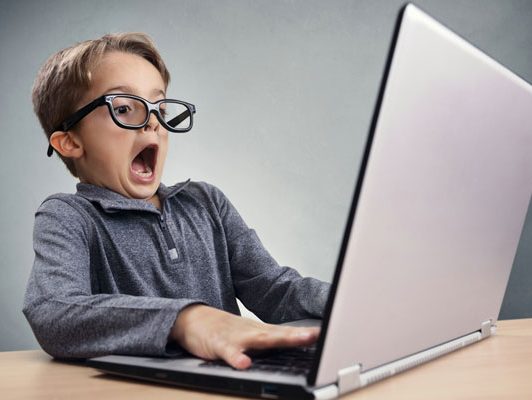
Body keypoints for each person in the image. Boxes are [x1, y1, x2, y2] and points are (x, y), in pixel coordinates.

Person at [23, 32, 330, 370]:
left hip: (231, 379)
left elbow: (275, 290)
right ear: (70, 142)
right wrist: (186, 321)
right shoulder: (69, 216)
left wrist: (345, 303)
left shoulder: (207, 202)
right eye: (124, 108)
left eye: (161, 107)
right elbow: (54, 312)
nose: (154, 122)